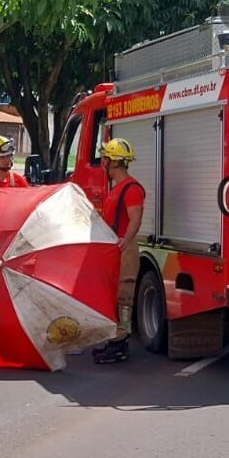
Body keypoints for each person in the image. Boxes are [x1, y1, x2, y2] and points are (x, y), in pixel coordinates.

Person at [93, 138, 145, 365]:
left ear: (113, 162)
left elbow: (135, 218)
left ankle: (120, 342)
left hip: (125, 250)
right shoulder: (117, 189)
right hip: (115, 250)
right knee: (112, 295)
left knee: (124, 298)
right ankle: (114, 338)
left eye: (105, 159)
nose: (103, 163)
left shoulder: (131, 189)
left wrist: (126, 240)